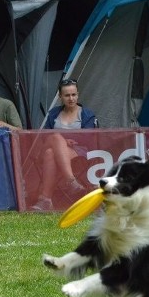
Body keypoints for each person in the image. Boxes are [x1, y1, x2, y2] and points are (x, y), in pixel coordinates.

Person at [31, 79, 98, 211]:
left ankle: (45, 200)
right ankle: (71, 181)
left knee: (50, 152)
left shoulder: (87, 114)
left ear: (78, 95)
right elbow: (44, 136)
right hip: (50, 145)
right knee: (55, 138)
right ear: (60, 97)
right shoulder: (53, 113)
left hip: (77, 153)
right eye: (67, 95)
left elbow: (89, 138)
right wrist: (62, 140)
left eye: (73, 94)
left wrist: (64, 140)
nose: (71, 98)